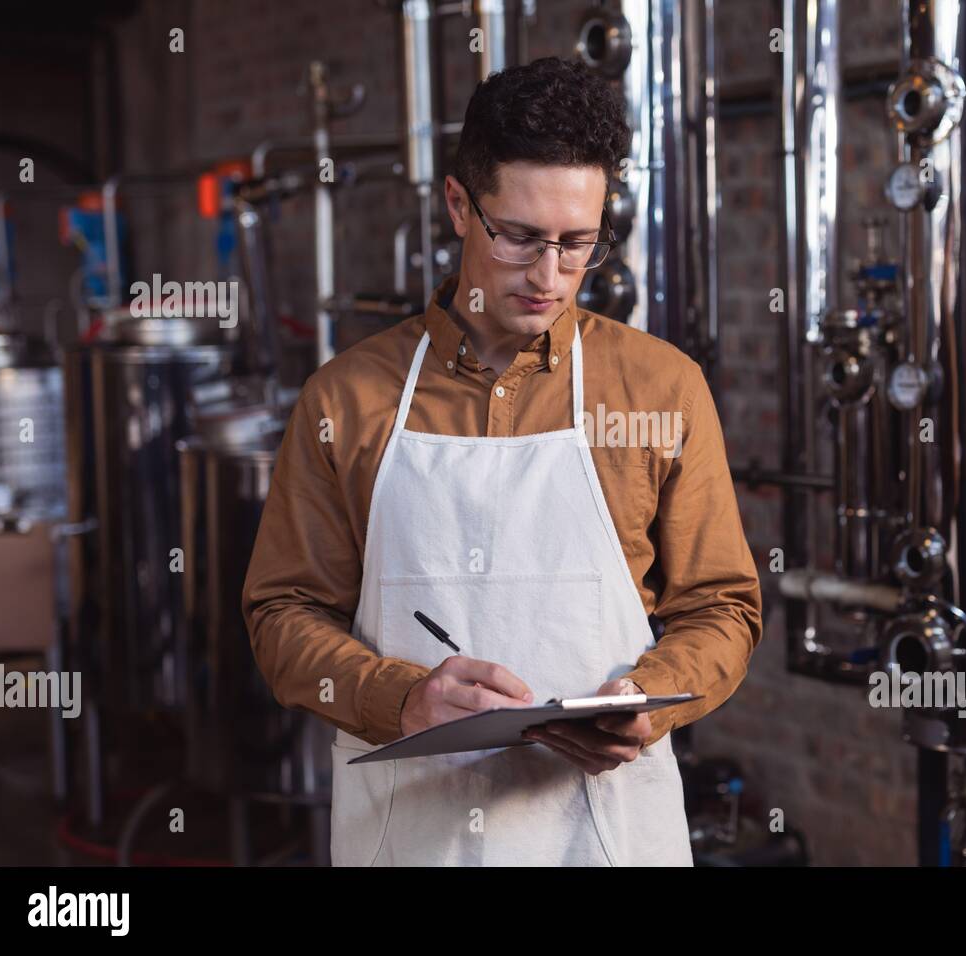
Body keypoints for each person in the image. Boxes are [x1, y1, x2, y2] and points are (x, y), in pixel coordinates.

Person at [243, 55, 762, 866]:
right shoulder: (345, 400)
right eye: (518, 236)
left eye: (578, 242)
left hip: (606, 833)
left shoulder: (662, 389)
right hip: (410, 837)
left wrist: (645, 704)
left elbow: (723, 606)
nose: (549, 274)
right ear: (459, 204)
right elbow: (282, 615)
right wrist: (402, 698)